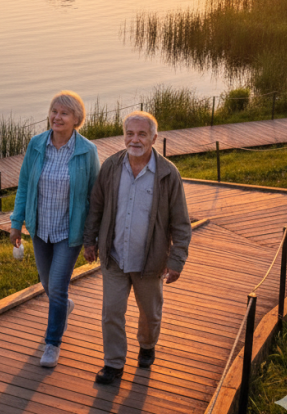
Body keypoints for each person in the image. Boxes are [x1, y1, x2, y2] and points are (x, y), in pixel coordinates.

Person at [82, 111, 192, 385]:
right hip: (115, 257)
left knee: (150, 313)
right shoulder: (111, 166)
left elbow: (181, 222)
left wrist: (176, 260)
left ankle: (146, 345)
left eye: (142, 134)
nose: (135, 139)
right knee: (111, 313)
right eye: (130, 133)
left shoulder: (168, 173)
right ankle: (113, 364)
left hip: (150, 261)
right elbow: (96, 207)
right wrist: (90, 240)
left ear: (154, 138)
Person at [10, 90, 100, 368]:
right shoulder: (37, 144)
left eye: (64, 113)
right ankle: (64, 308)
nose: (57, 117)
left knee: (57, 289)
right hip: (39, 229)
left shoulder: (87, 151)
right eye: (54, 111)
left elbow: (94, 197)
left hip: (68, 233)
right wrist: (17, 223)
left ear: (76, 119)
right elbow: (25, 185)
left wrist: (91, 238)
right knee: (48, 286)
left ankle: (52, 344)